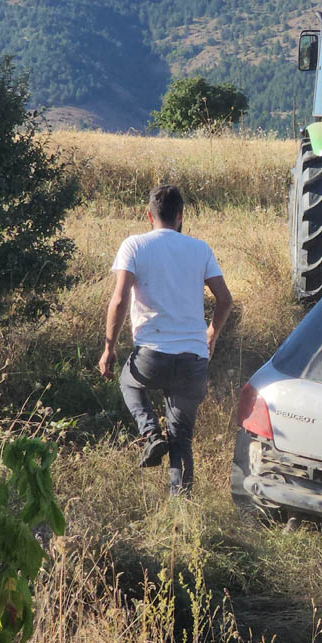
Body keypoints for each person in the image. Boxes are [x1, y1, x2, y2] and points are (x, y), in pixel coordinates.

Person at [98, 185, 233, 495]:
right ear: (181, 216)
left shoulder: (134, 246)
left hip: (151, 356)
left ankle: (150, 434)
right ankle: (180, 507)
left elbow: (119, 301)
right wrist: (210, 335)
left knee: (128, 382)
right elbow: (225, 300)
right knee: (182, 438)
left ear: (149, 215)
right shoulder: (200, 249)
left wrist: (109, 347)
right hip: (193, 360)